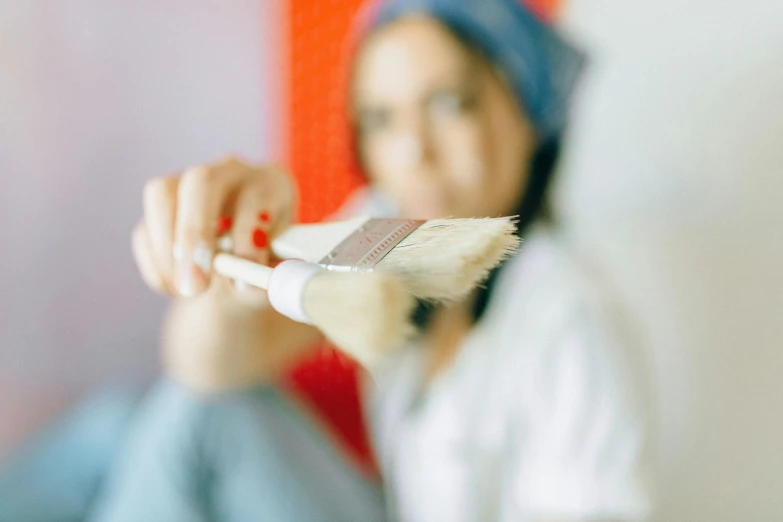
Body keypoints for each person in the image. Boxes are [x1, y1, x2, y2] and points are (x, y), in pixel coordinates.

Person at [0, 0, 652, 520]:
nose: (412, 152)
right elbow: (205, 366)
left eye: (447, 103)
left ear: (526, 113)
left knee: (193, 423)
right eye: (380, 119)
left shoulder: (569, 321)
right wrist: (234, 265)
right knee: (120, 421)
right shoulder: (390, 231)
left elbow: (201, 407)